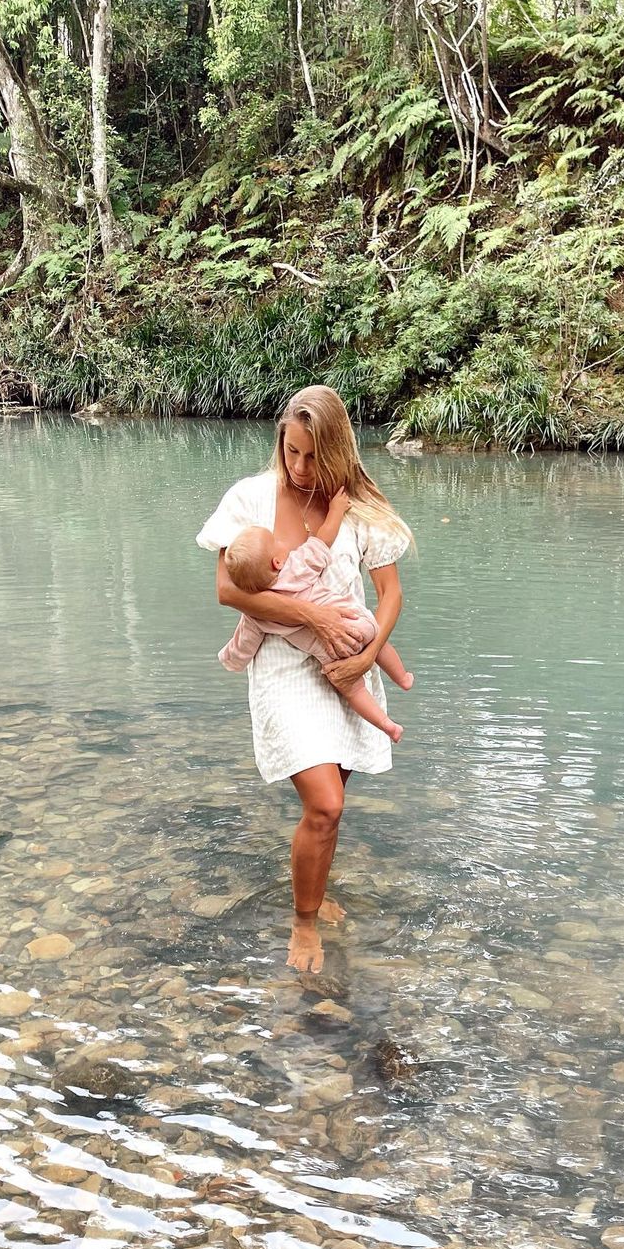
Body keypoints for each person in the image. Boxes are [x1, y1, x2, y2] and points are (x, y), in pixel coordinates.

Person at [196, 385, 413, 974]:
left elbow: (390, 595)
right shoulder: (250, 499)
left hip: (348, 659)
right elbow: (228, 591)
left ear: (337, 450)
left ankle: (314, 890)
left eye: (313, 455)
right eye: (291, 451)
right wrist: (312, 617)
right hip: (284, 664)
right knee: (325, 803)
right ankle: (304, 922)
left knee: (330, 809)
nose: (298, 466)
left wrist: (368, 658)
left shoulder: (358, 509)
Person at [216, 487, 414, 743]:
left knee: (354, 690)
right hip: (353, 622)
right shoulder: (296, 567)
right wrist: (336, 510)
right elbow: (323, 540)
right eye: (276, 542)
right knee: (377, 639)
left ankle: (388, 726)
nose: (282, 542)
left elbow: (243, 646)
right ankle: (402, 677)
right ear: (277, 562)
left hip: (332, 656)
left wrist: (230, 659)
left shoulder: (256, 614)